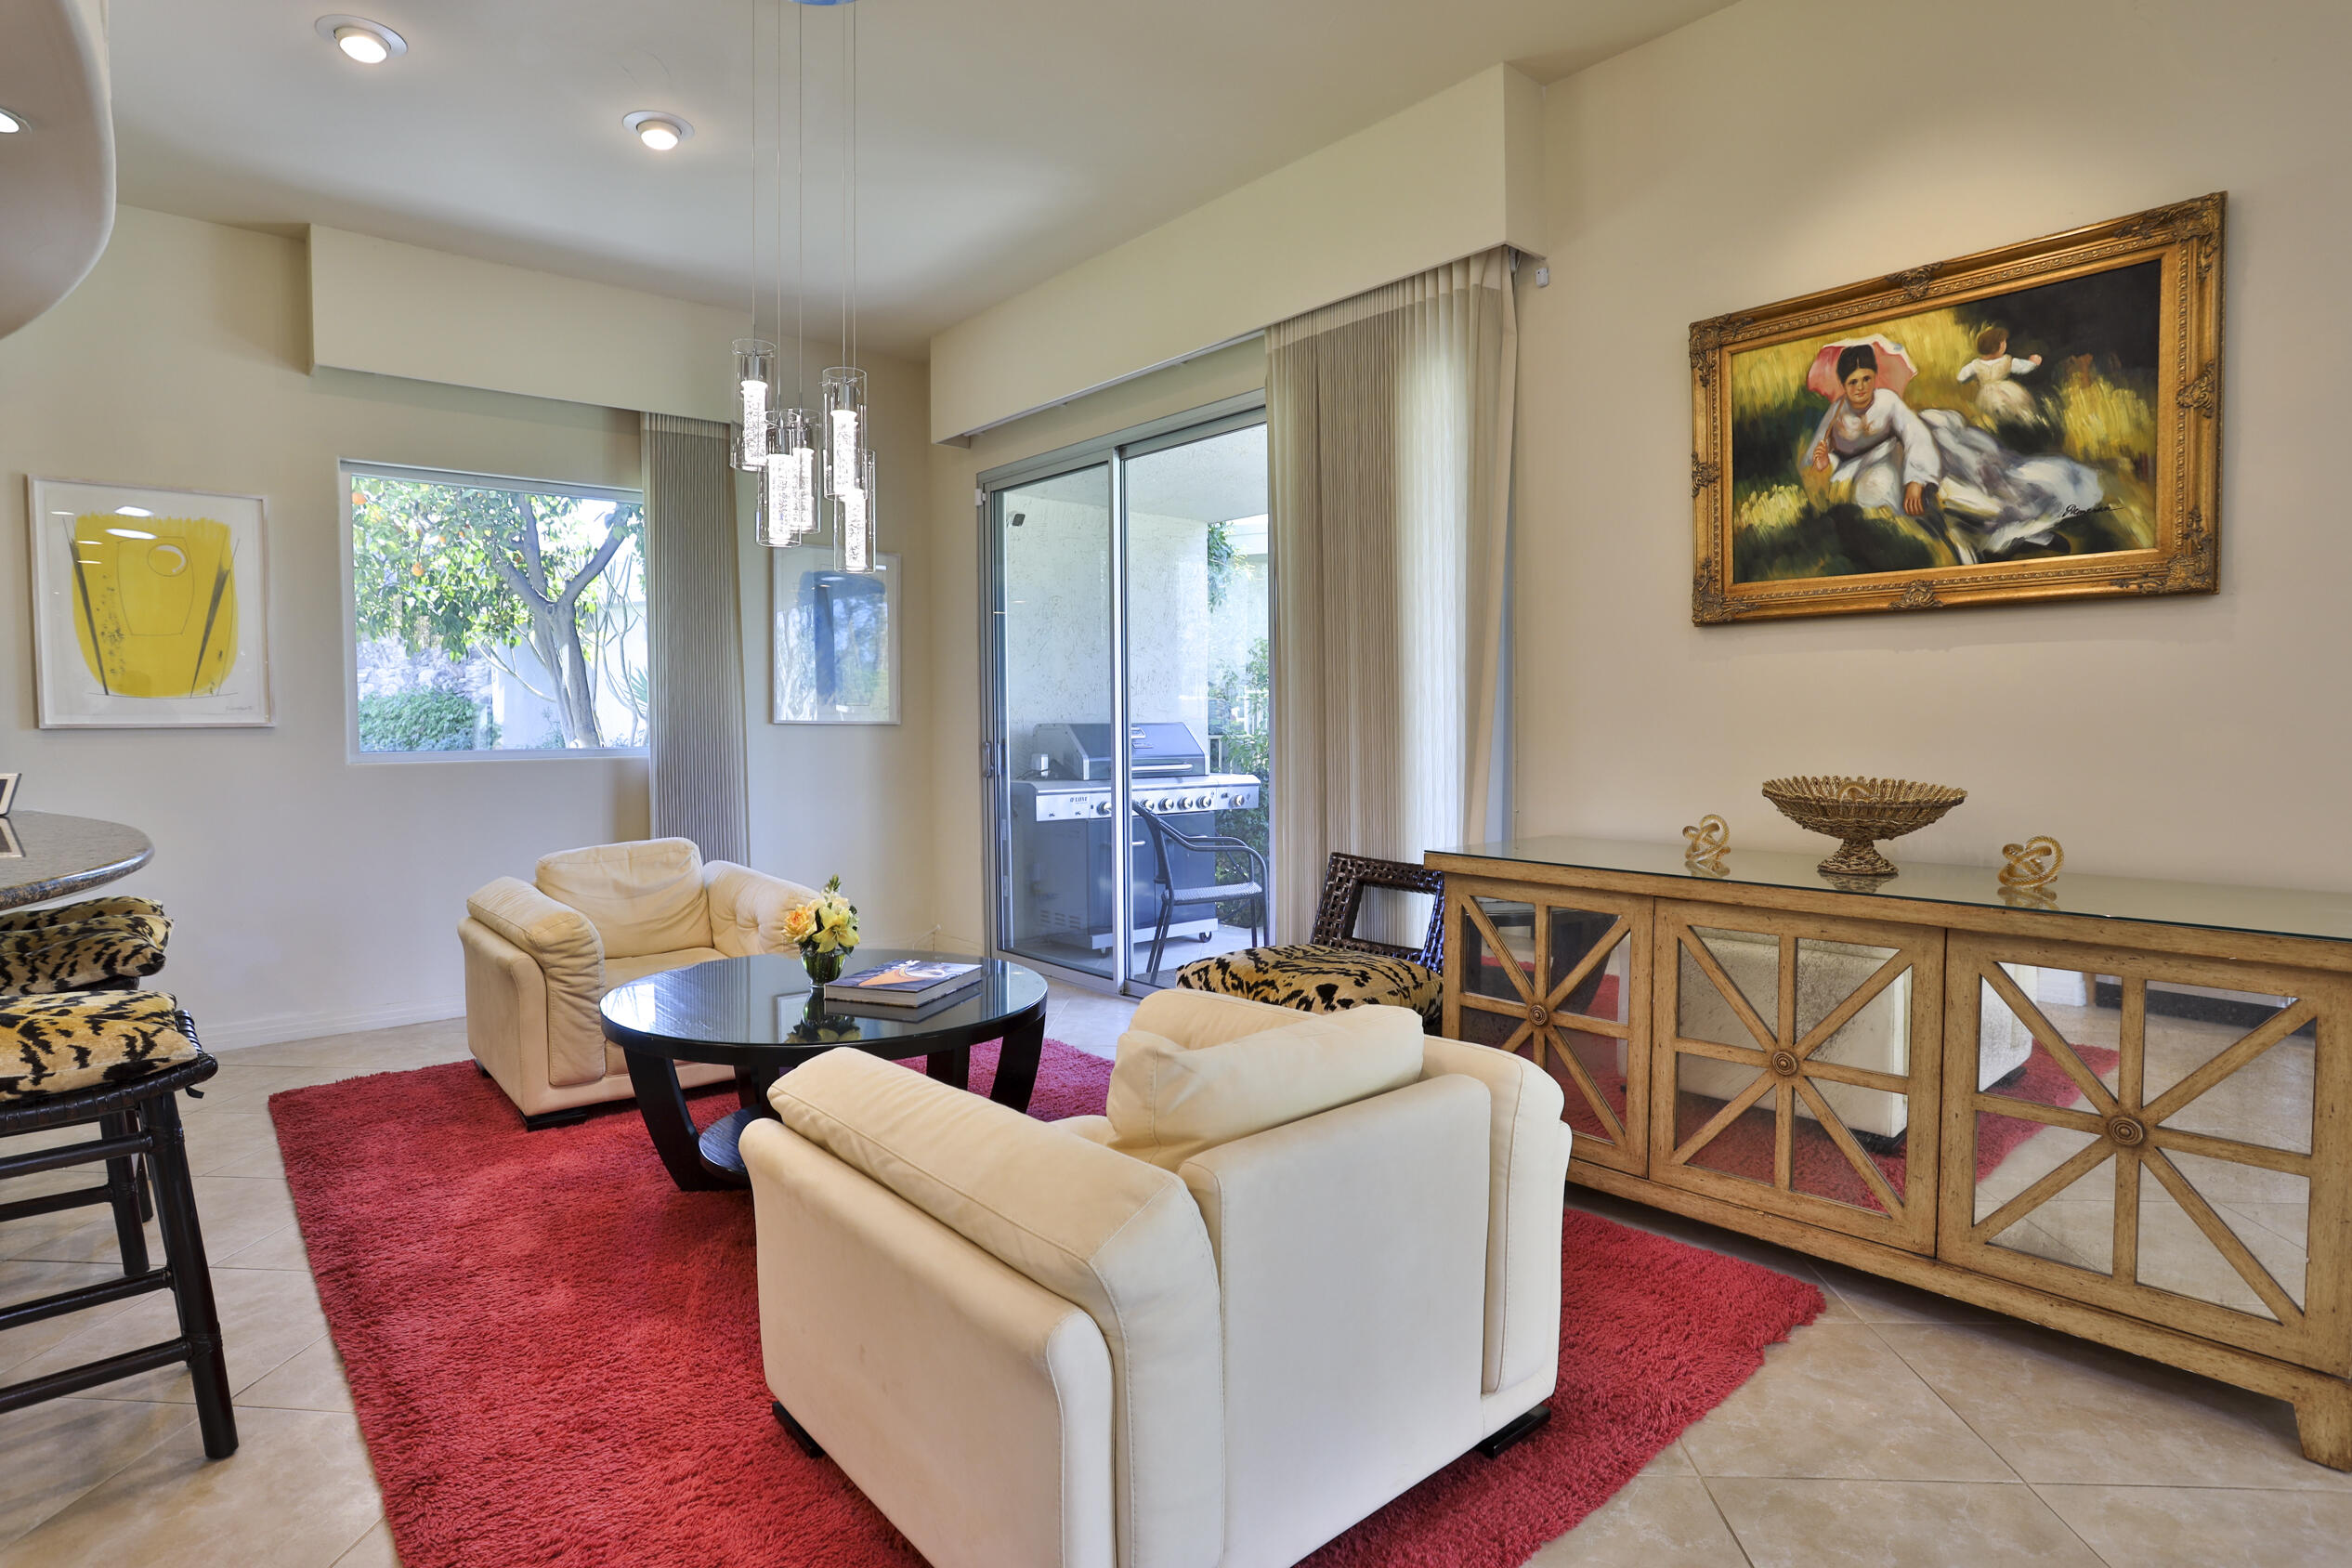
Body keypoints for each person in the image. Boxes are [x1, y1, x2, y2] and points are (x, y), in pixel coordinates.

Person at [1806, 342, 1942, 520]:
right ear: (1843, 384)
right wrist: (1823, 463)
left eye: (1866, 379)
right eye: (1853, 382)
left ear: (1875, 376)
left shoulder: (1887, 401)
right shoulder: (1836, 413)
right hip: (1850, 472)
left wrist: (1916, 480)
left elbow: (1916, 434)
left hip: (1888, 460)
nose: (1860, 387)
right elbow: (1816, 457)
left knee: (1879, 489)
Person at [1955, 326, 2044, 425]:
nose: (2005, 345)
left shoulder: (1975, 364)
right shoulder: (2006, 361)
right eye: (2004, 343)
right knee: (2015, 411)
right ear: (1998, 346)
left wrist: (1975, 377)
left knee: (1992, 417)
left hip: (1985, 395)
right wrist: (2033, 362)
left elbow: (1961, 377)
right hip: (2007, 392)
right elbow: (2022, 367)